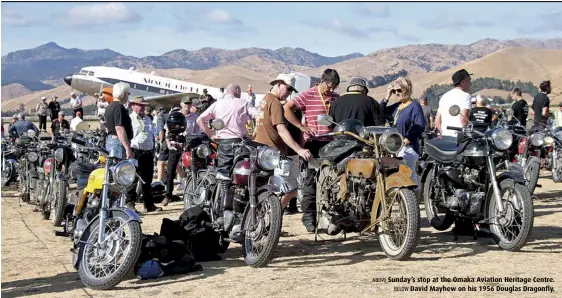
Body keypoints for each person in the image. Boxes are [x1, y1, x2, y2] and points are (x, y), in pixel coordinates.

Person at [283, 68, 340, 232]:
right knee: (310, 182)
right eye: (329, 87)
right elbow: (287, 108)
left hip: (331, 145)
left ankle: (331, 217)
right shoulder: (308, 94)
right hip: (312, 144)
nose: (331, 90)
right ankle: (309, 218)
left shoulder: (336, 98)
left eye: (334, 87)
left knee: (332, 182)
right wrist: (302, 126)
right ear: (323, 81)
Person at [254, 74, 312, 216]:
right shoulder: (274, 102)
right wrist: (298, 149)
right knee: (287, 190)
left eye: (291, 90)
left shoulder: (265, 100)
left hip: (262, 151)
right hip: (273, 154)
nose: (289, 93)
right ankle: (271, 218)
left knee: (268, 190)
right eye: (288, 89)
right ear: (278, 84)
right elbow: (281, 129)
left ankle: (266, 218)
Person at [381, 77, 425, 191]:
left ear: (407, 89)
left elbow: (419, 125)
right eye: (394, 91)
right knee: (397, 176)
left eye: (399, 90)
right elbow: (379, 113)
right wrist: (387, 97)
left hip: (408, 147)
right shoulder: (397, 106)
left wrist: (407, 140)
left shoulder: (414, 106)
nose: (397, 93)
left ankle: (413, 204)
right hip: (394, 147)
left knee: (409, 176)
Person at [197, 83, 252, 169]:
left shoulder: (217, 104)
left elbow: (199, 120)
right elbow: (259, 114)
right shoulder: (244, 103)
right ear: (237, 91)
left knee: (223, 174)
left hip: (224, 144)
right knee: (243, 172)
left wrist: (211, 135)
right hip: (241, 144)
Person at [161, 97, 201, 206]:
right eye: (185, 103)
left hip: (189, 147)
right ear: (181, 104)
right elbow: (167, 131)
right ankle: (168, 195)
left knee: (194, 169)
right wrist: (169, 145)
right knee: (170, 171)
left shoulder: (195, 117)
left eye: (189, 103)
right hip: (176, 146)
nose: (187, 105)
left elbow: (198, 133)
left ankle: (193, 192)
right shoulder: (174, 115)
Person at [128, 96, 162, 213]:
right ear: (133, 106)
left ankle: (148, 204)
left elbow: (152, 133)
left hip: (148, 152)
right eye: (140, 105)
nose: (143, 107)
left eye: (143, 105)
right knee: (134, 179)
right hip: (136, 152)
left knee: (147, 180)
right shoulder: (130, 119)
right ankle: (130, 203)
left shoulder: (148, 119)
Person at [435, 69, 473, 137]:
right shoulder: (465, 96)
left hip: (445, 136)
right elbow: (463, 119)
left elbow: (437, 120)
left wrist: (441, 131)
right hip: (459, 138)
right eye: (469, 81)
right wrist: (468, 135)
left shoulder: (444, 96)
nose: (470, 83)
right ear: (463, 82)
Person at [104, 82, 134, 160]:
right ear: (123, 94)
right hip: (118, 142)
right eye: (128, 93)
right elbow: (119, 128)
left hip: (111, 140)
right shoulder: (119, 107)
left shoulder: (109, 107)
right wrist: (127, 148)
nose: (128, 96)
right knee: (120, 169)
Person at [155, 106, 170, 182]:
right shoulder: (169, 115)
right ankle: (183, 180)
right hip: (173, 140)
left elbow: (161, 131)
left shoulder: (160, 117)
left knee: (160, 163)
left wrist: (161, 142)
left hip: (165, 141)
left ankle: (159, 181)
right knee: (172, 163)